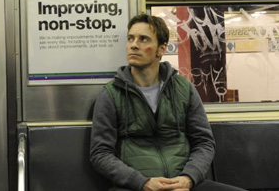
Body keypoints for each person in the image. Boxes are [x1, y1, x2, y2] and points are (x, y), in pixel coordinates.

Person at [90, 14, 245, 191]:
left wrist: (188, 178)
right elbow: (100, 153)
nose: (133, 44)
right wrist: (142, 183)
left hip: (183, 183)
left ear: (161, 49)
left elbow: (204, 142)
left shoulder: (183, 89)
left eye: (143, 39)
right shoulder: (111, 94)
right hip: (136, 186)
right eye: (130, 38)